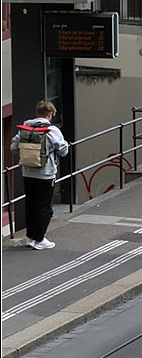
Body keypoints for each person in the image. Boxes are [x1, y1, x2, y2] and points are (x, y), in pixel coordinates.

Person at [10, 99, 69, 250]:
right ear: (50, 114)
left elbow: (13, 147)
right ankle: (40, 239)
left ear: (37, 113)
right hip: (46, 174)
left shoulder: (25, 128)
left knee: (31, 205)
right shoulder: (52, 131)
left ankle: (30, 238)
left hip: (27, 172)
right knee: (45, 207)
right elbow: (63, 151)